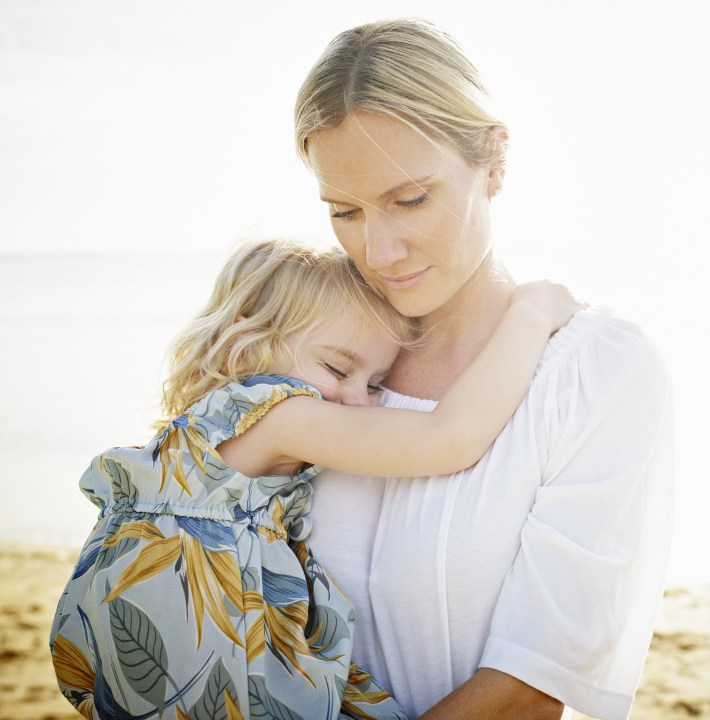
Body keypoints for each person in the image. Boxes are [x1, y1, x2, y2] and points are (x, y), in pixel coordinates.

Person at [294, 17, 675, 720]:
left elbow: (529, 689)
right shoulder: (318, 363)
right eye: (344, 211)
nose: (378, 251)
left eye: (410, 200)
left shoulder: (596, 373)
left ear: (495, 162)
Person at [49, 238, 583, 720]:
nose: (356, 399)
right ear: (251, 341)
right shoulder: (278, 411)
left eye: (375, 383)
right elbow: (451, 439)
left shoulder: (204, 433)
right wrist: (531, 316)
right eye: (336, 368)